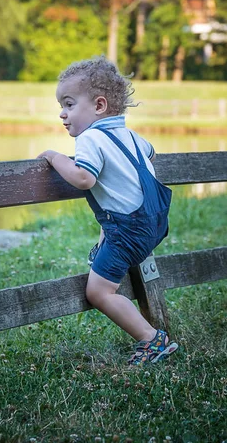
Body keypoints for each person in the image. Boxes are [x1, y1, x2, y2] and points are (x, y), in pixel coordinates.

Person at [37, 56, 178, 366]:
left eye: (70, 104)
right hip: (154, 222)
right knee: (107, 255)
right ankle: (105, 244)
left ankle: (152, 339)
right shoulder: (130, 136)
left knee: (98, 292)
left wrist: (54, 157)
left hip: (128, 232)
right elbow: (150, 154)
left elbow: (84, 178)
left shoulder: (90, 138)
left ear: (99, 106)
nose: (62, 113)